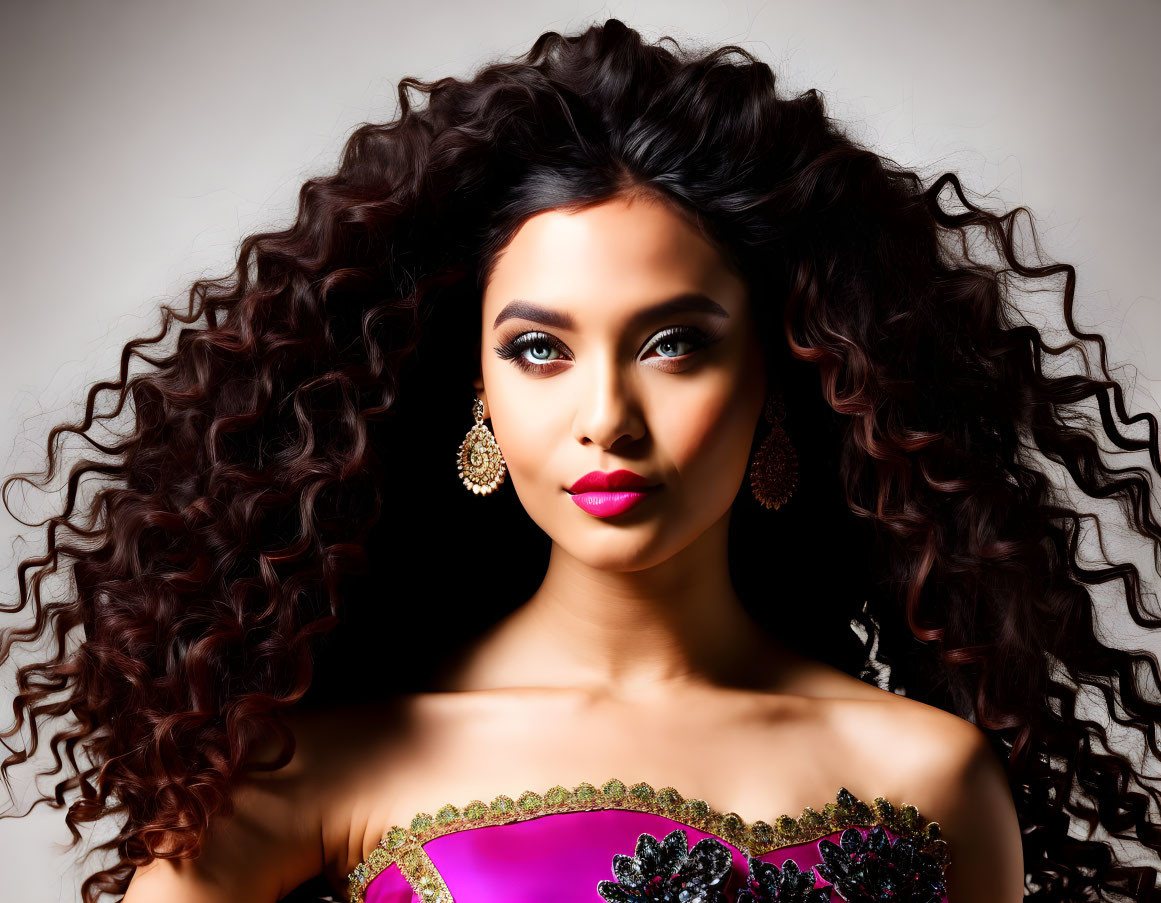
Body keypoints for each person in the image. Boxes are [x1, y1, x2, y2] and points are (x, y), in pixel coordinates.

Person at [1, 17, 1157, 903]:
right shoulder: (306, 772)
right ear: (478, 394)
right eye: (541, 350)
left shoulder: (934, 783)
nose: (606, 415)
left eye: (674, 345)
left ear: (781, 377)